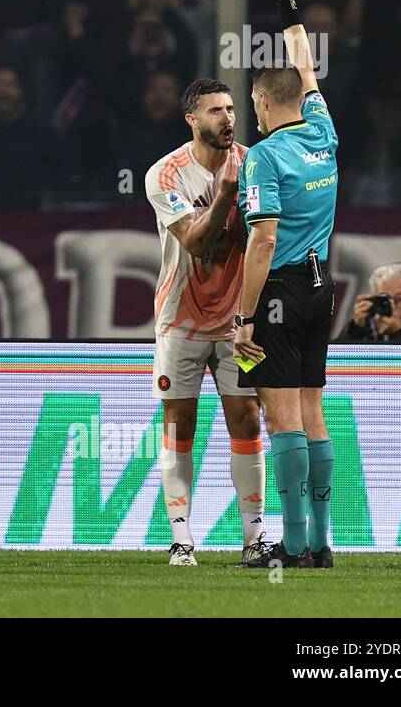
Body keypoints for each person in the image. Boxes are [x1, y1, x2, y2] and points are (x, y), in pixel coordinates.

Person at [234, 0, 339, 569]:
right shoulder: (323, 129)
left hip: (277, 290)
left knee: (281, 419)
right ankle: (322, 543)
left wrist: (246, 318)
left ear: (263, 105)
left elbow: (263, 240)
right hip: (322, 287)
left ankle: (295, 544)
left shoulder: (264, 156)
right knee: (312, 408)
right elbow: (305, 62)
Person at [144, 78, 266, 567]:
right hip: (180, 319)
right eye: (215, 111)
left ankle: (254, 538)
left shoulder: (254, 161)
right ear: (191, 119)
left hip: (238, 322)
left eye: (232, 109)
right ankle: (181, 539)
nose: (228, 118)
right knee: (179, 423)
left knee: (246, 418)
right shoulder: (165, 174)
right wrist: (226, 197)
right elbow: (194, 242)